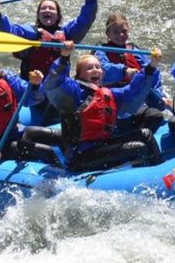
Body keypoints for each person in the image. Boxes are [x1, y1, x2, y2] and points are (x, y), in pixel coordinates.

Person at [44, 40, 164, 172]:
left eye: (98, 67)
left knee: (145, 134)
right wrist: (64, 57)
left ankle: (159, 169)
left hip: (104, 146)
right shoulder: (74, 93)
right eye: (89, 68)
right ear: (79, 75)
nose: (95, 70)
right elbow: (54, 83)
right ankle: (150, 178)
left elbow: (132, 92)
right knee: (138, 148)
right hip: (81, 155)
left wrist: (151, 66)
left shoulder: (109, 94)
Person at [0, 0, 97, 80]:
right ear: (38, 16)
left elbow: (86, 19)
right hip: (33, 85)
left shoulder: (67, 33)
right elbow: (7, 32)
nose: (47, 10)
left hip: (58, 86)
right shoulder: (29, 33)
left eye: (51, 8)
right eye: (43, 8)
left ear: (58, 16)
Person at [92, 12, 168, 135]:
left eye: (124, 31)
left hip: (134, 102)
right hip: (111, 102)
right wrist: (124, 71)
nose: (121, 35)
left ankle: (139, 139)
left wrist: (160, 99)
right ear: (108, 34)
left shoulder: (134, 50)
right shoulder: (101, 51)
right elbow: (104, 69)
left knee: (156, 116)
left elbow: (152, 72)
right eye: (116, 32)